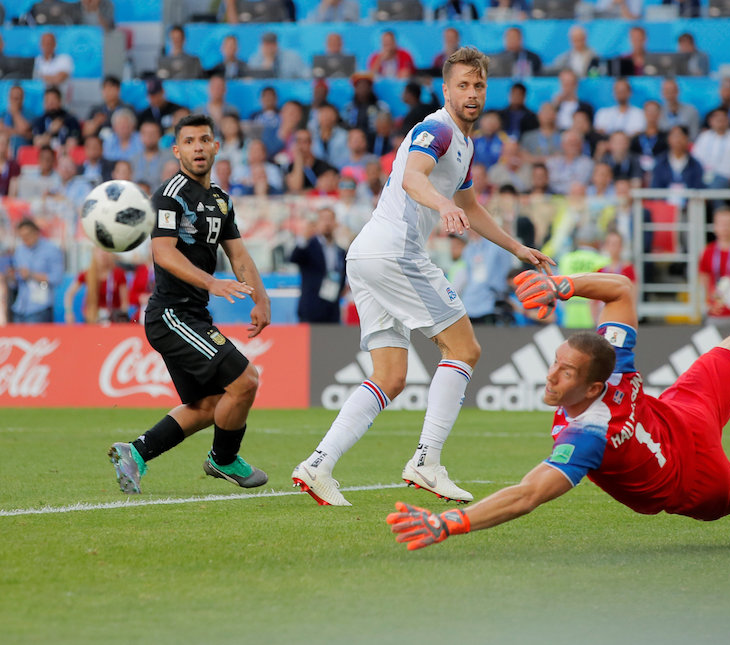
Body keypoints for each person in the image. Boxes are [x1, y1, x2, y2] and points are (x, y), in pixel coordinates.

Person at [386, 205, 730, 550]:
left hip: (692, 481)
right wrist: (560, 285)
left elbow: (527, 494)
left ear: (592, 388)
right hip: (683, 413)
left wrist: (449, 523)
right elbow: (622, 290)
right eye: (556, 362)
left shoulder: (587, 435)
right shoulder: (616, 361)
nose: (551, 376)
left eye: (564, 371)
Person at [292, 46, 552, 507]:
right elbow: (413, 177)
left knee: (390, 376)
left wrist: (516, 248)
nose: (472, 94)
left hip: (367, 256)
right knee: (465, 349)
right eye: (463, 85)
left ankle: (318, 464)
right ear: (446, 90)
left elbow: (471, 206)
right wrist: (443, 205)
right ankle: (427, 461)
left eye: (478, 85)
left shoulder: (464, 144)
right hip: (395, 253)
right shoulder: (438, 129)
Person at [107, 114, 271, 495]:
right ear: (177, 151)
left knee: (211, 405)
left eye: (204, 140)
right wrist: (212, 282)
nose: (198, 147)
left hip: (193, 314)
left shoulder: (221, 201)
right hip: (171, 315)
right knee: (245, 381)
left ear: (216, 147)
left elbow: (239, 255)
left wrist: (261, 298)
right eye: (189, 141)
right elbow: (163, 253)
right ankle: (224, 459)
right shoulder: (169, 195)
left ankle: (134, 453)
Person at [290, 208, 347, 324]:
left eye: (330, 219)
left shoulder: (340, 251)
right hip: (311, 308)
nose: (327, 223)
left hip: (332, 308)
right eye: (323, 219)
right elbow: (294, 258)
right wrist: (304, 237)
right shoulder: (309, 246)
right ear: (317, 223)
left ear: (335, 223)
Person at [9, 218, 64, 323]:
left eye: (27, 235)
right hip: (20, 307)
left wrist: (31, 274)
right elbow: (16, 282)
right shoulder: (20, 251)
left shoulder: (51, 250)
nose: (25, 239)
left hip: (40, 308)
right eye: (22, 237)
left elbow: (57, 278)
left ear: (36, 233)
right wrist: (12, 277)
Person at [64, 248, 129, 324]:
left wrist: (122, 316)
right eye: (99, 251)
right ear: (94, 253)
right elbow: (69, 294)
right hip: (93, 318)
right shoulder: (87, 273)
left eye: (106, 251)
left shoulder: (118, 273)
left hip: (113, 319)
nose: (103, 254)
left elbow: (125, 301)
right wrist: (69, 312)